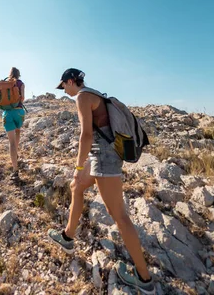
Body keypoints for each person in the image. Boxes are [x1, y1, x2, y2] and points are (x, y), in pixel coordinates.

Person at [48, 68, 155, 294]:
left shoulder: (82, 97)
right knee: (76, 186)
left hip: (104, 160)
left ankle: (144, 279)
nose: (63, 91)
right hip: (101, 155)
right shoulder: (96, 94)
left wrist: (78, 166)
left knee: (119, 216)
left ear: (70, 81)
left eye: (63, 86)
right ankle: (68, 237)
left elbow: (86, 135)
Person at [2, 67, 25, 182]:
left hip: (7, 114)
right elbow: (23, 98)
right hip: (19, 112)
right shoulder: (21, 83)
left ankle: (15, 171)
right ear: (19, 74)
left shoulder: (4, 83)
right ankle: (16, 153)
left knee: (11, 142)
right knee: (18, 131)